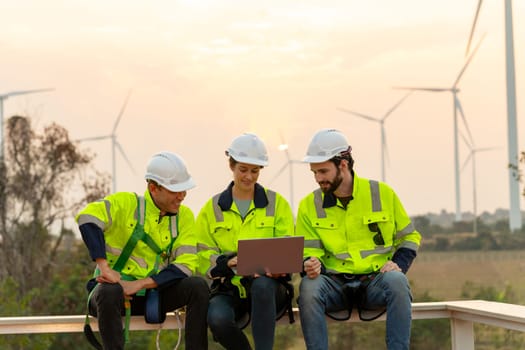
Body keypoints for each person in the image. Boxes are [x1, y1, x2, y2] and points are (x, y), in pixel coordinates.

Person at [296, 128, 421, 350]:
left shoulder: (382, 193)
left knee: (398, 282)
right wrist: (311, 264)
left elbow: (409, 237)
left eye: (323, 171)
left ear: (343, 164)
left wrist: (399, 264)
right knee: (309, 287)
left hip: (375, 281)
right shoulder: (309, 205)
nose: (318, 179)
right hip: (333, 283)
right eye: (314, 172)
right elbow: (308, 250)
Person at [76, 151, 209, 350]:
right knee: (109, 291)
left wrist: (139, 285)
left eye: (184, 189)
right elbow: (87, 218)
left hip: (154, 293)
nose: (182, 196)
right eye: (175, 190)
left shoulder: (186, 217)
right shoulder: (126, 203)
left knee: (198, 286)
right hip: (112, 296)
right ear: (153, 188)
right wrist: (104, 268)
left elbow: (186, 265)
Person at [196, 133, 295, 350]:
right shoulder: (211, 209)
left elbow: (288, 249)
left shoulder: (277, 204)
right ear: (231, 165)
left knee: (262, 285)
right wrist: (228, 263)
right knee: (218, 320)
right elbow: (202, 255)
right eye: (243, 169)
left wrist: (277, 269)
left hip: (270, 288)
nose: (249, 177)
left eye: (255, 171)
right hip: (229, 288)